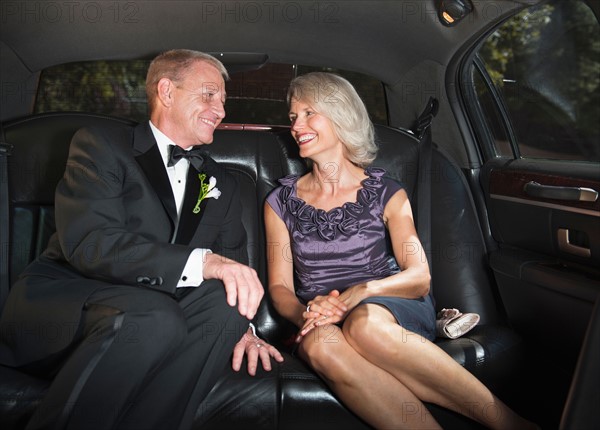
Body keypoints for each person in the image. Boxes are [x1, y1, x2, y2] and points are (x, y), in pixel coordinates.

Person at [0, 49, 283, 430]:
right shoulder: (101, 145)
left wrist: (243, 330)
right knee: (154, 317)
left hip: (159, 314)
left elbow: (234, 264)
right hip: (67, 303)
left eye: (223, 100)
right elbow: (91, 242)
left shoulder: (222, 183)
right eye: (209, 94)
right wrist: (204, 262)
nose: (220, 110)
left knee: (227, 304)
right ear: (166, 91)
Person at [264, 72, 537, 429]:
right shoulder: (280, 202)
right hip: (320, 314)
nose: (297, 125)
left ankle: (511, 424)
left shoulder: (386, 193)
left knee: (365, 326)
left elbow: (419, 278)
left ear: (341, 117)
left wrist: (361, 291)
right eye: (293, 117)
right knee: (320, 346)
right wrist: (306, 316)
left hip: (389, 304)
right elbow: (280, 289)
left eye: (308, 113)